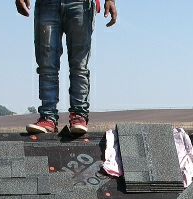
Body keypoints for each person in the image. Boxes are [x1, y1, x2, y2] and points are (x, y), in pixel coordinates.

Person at [17, 0, 119, 136]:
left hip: (81, 4)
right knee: (47, 66)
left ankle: (79, 116)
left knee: (79, 66)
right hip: (47, 4)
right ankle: (48, 118)